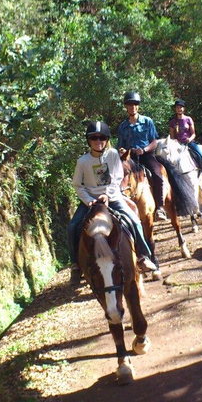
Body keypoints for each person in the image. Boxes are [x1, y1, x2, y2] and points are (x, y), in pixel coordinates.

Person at [67, 121, 157, 285]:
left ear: (106, 139)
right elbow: (77, 185)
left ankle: (143, 256)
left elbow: (117, 177)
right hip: (91, 201)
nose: (98, 141)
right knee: (73, 227)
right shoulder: (82, 161)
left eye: (102, 137)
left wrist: (107, 195)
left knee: (135, 221)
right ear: (88, 140)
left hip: (113, 197)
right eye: (94, 138)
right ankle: (75, 266)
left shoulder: (113, 154)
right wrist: (89, 200)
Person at [116, 91, 168, 221]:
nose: (132, 107)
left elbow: (155, 141)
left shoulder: (147, 121)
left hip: (146, 155)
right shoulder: (122, 126)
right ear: (126, 107)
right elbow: (120, 145)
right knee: (119, 178)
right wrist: (122, 150)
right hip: (130, 158)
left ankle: (160, 208)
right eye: (129, 105)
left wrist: (144, 150)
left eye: (135, 104)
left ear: (138, 106)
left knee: (157, 174)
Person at [168, 99, 202, 185]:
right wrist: (174, 144)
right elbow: (172, 136)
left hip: (189, 143)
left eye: (181, 107)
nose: (179, 109)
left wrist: (190, 139)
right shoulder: (172, 122)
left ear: (184, 109)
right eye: (177, 107)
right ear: (175, 109)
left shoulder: (188, 119)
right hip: (177, 145)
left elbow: (193, 134)